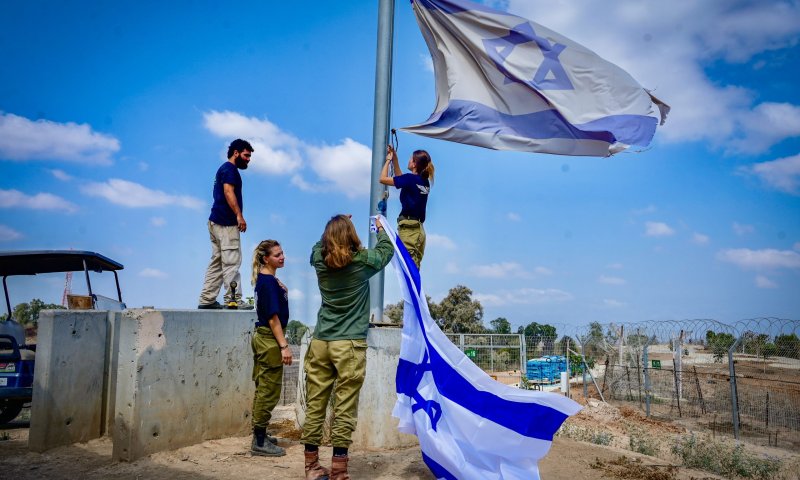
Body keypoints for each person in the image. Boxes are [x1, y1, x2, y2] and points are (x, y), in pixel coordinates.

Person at [301, 215, 393, 480]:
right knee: (344, 407)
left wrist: (332, 228)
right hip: (349, 345)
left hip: (320, 343)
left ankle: (311, 468)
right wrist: (381, 228)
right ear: (351, 235)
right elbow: (385, 252)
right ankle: (339, 470)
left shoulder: (319, 260)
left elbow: (315, 249)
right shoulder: (361, 263)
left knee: (316, 405)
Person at [198, 138, 255, 310]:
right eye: (246, 155)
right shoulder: (230, 170)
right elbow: (228, 192)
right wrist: (239, 215)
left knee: (217, 262)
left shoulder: (223, 169)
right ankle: (234, 300)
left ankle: (207, 299)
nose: (248, 159)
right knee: (231, 262)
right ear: (236, 153)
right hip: (226, 223)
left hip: (215, 221)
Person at [249, 239, 292, 457]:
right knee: (268, 390)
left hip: (264, 338)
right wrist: (284, 345)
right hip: (269, 339)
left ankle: (261, 434)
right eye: (277, 255)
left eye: (282, 253)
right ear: (266, 259)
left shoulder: (267, 280)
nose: (282, 257)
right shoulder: (267, 282)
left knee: (264, 386)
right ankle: (258, 442)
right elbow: (274, 319)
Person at [379, 144, 434, 269]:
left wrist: (388, 161)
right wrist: (395, 158)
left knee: (408, 268)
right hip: (419, 231)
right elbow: (401, 178)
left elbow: (382, 179)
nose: (408, 160)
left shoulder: (410, 179)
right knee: (414, 269)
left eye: (411, 159)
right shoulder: (423, 181)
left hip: (409, 229)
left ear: (414, 164)